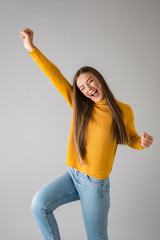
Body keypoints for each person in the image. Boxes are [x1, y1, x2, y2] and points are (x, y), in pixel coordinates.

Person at [20, 27, 154, 240]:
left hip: (95, 186)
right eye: (81, 87)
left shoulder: (123, 111)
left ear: (98, 79)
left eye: (90, 81)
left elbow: (132, 139)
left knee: (96, 238)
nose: (87, 88)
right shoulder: (81, 107)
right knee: (39, 204)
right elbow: (56, 76)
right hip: (73, 175)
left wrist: (143, 143)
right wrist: (31, 48)